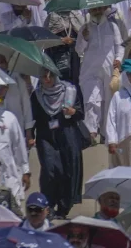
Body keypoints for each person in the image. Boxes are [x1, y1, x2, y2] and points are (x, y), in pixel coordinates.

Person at [30, 68, 84, 219]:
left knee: (67, 170)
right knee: (50, 170)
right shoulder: (37, 95)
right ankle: (48, 204)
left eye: (50, 76)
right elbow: (33, 117)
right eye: (43, 76)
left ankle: (63, 207)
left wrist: (72, 112)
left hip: (67, 135)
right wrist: (29, 134)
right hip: (45, 137)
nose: (47, 79)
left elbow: (81, 113)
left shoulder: (70, 91)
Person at [77, 3, 126, 143]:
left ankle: (106, 133)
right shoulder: (85, 29)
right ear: (90, 11)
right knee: (92, 101)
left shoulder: (112, 26)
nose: (97, 11)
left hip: (108, 70)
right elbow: (78, 50)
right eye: (94, 9)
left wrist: (118, 59)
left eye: (100, 8)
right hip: (90, 70)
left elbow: (120, 46)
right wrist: (84, 39)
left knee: (108, 102)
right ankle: (91, 133)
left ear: (104, 10)